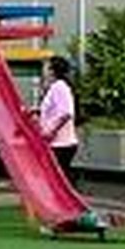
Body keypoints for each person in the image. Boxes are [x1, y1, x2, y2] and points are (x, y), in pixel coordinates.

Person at [34, 53, 83, 187]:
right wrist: (37, 111)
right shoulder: (55, 87)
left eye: (46, 67)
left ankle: (70, 197)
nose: (44, 70)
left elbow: (66, 112)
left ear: (52, 70)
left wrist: (50, 131)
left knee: (59, 179)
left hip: (61, 143)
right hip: (58, 143)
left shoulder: (59, 87)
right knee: (59, 178)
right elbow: (55, 110)